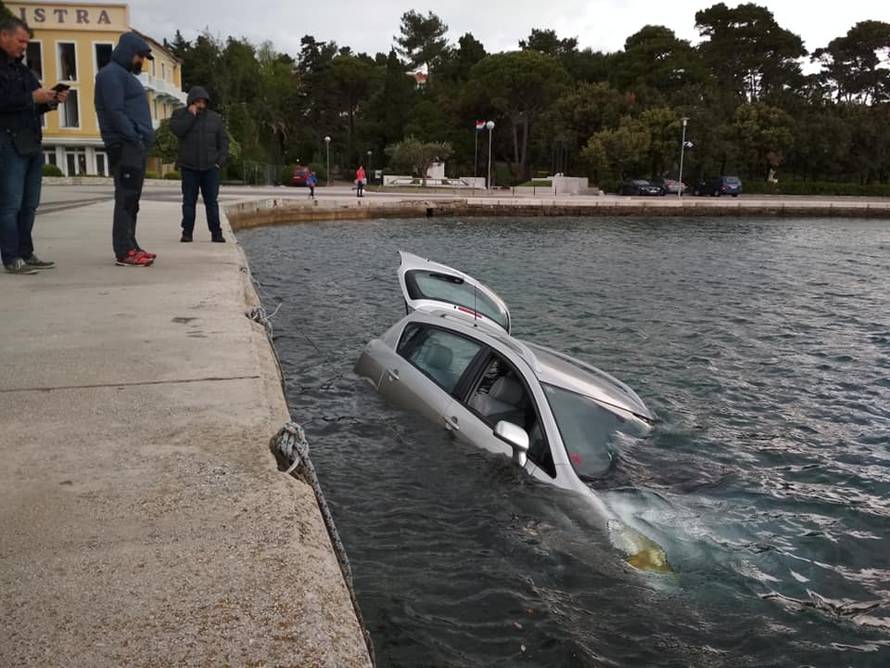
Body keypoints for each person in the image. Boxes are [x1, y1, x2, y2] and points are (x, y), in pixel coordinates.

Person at [0, 16, 67, 275]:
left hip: (31, 143)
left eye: (27, 42)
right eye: (20, 41)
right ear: (4, 36)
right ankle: (11, 256)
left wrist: (51, 100)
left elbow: (34, 103)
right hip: (7, 142)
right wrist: (30, 97)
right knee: (10, 204)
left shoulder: (23, 69)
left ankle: (26, 253)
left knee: (30, 204)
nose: (24, 47)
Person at [94, 32, 156, 267]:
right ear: (130, 53)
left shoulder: (122, 75)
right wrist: (134, 136)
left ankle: (131, 244)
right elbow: (114, 111)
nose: (141, 62)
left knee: (133, 200)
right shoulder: (110, 75)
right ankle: (124, 251)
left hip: (133, 145)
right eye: (140, 56)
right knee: (126, 198)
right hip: (125, 145)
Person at [169, 86, 228, 243]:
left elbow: (223, 141)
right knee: (189, 202)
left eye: (203, 102)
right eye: (197, 102)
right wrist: (190, 116)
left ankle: (216, 233)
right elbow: (178, 131)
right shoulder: (179, 115)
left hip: (211, 168)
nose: (200, 105)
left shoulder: (215, 118)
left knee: (212, 203)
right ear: (191, 102)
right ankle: (187, 233)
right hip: (189, 167)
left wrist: (219, 162)